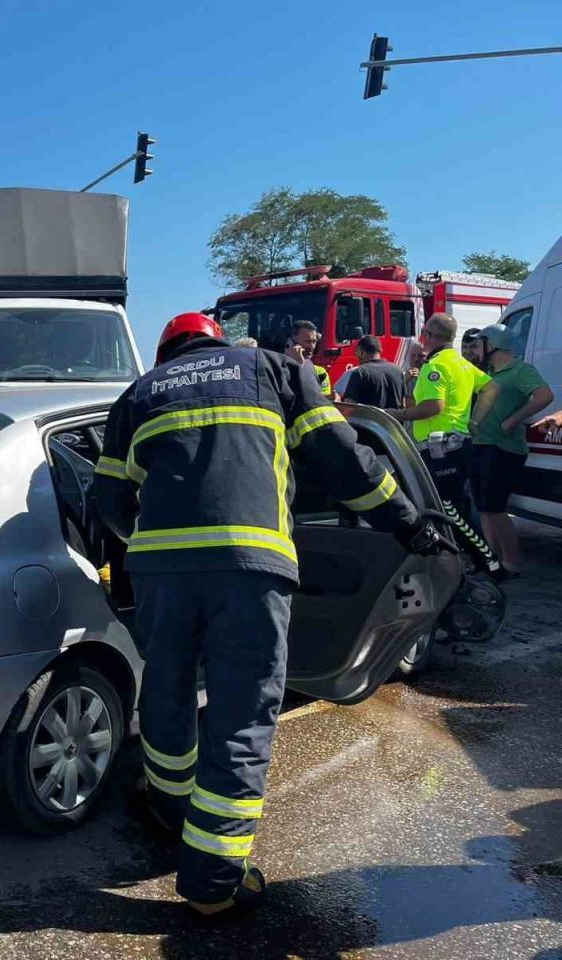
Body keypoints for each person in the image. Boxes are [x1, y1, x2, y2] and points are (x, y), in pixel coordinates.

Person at [95, 312, 436, 918]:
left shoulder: (139, 393)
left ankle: (170, 811)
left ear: (166, 353)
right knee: (241, 715)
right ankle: (212, 882)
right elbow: (343, 460)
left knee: (167, 692)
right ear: (217, 342)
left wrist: (147, 544)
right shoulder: (273, 369)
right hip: (250, 569)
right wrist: (407, 521)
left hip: (161, 575)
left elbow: (109, 501)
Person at [469, 324, 555, 573]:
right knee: (485, 509)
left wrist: (513, 420)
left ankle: (512, 562)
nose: (475, 349)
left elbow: (545, 395)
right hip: (481, 444)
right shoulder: (486, 372)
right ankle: (492, 561)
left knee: (496, 508)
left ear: (492, 345)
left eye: (478, 344)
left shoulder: (520, 370)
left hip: (504, 448)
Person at [387, 313, 490, 513]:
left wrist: (399, 414)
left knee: (445, 510)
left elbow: (434, 406)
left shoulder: (435, 365)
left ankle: (461, 535)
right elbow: (491, 387)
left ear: (429, 335)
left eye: (424, 333)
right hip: (458, 444)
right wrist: (474, 421)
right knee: (456, 508)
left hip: (441, 449)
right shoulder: (462, 363)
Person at [340, 334, 407, 409]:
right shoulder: (398, 371)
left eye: (356, 352)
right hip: (393, 417)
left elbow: (350, 406)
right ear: (380, 350)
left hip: (367, 416)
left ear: (361, 352)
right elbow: (403, 405)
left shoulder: (360, 372)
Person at [285, 320, 333, 397]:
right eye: (307, 342)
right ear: (290, 344)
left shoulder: (320, 373)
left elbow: (320, 399)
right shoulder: (276, 369)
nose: (312, 347)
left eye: (314, 342)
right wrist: (297, 366)